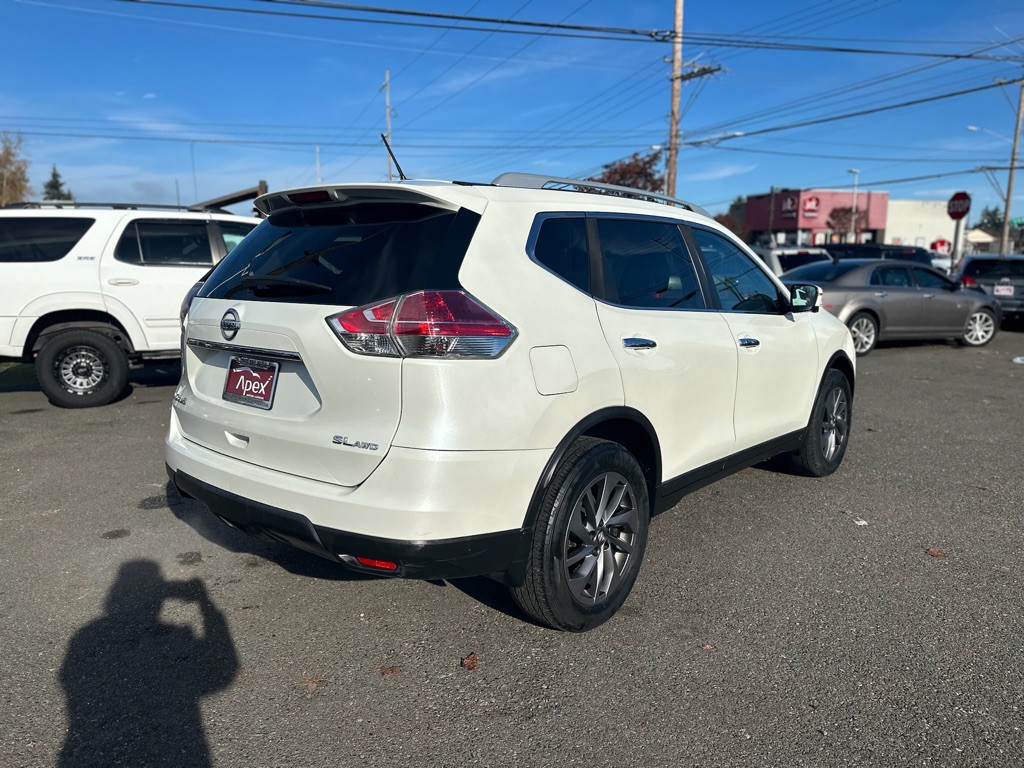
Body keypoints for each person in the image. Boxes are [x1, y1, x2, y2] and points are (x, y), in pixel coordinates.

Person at [59, 560, 238, 767]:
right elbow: (222, 675)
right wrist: (206, 605)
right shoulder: (89, 634)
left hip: (86, 749)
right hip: (176, 747)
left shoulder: (87, 634)